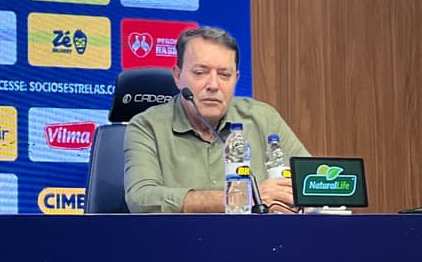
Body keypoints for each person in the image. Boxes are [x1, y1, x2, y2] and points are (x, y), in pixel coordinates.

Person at [124, 26, 309, 213]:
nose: (213, 85)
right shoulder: (147, 126)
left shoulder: (263, 118)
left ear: (236, 79)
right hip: (179, 240)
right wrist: (248, 196)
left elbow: (311, 183)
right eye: (200, 72)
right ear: (178, 76)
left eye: (224, 75)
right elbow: (141, 199)